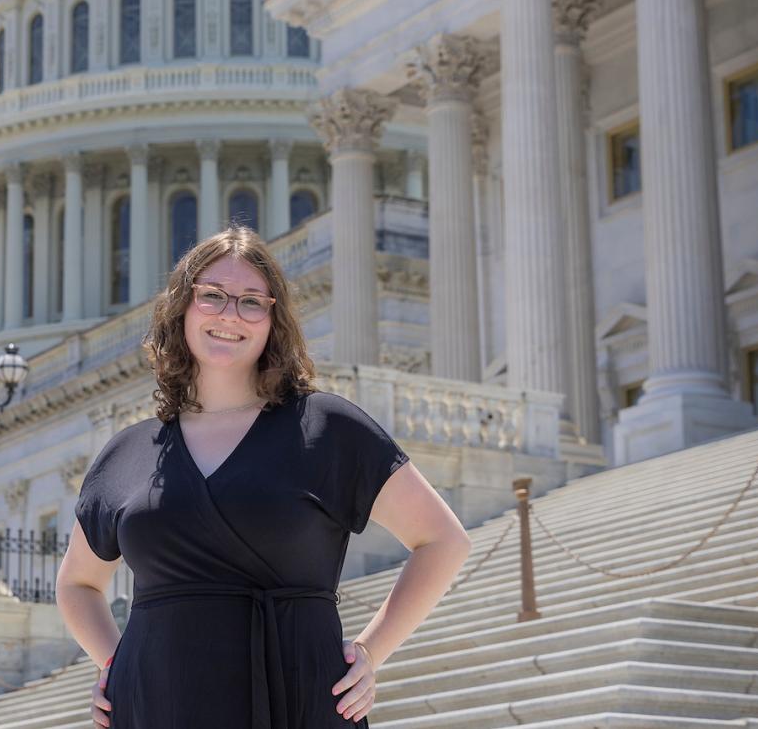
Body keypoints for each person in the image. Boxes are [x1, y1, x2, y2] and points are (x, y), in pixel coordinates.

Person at [55, 225, 472, 728]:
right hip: (156, 706)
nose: (230, 314)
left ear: (273, 319)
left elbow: (443, 540)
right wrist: (113, 662)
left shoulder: (325, 427)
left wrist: (370, 651)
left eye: (252, 301)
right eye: (211, 296)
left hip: (295, 698)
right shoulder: (128, 451)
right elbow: (77, 583)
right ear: (181, 309)